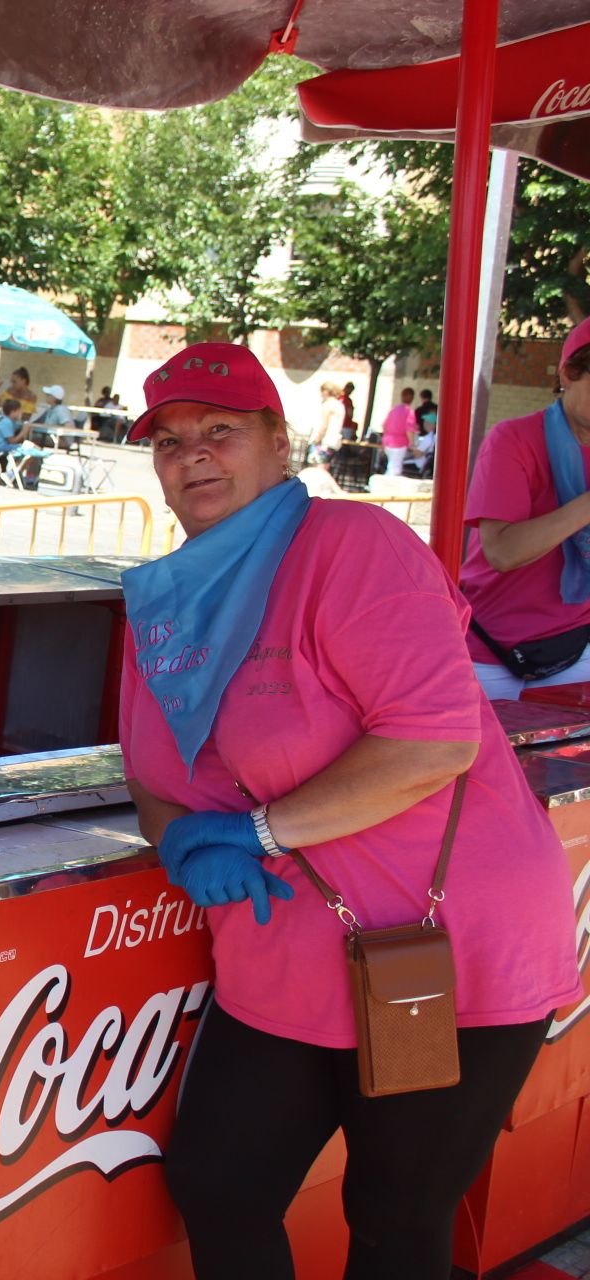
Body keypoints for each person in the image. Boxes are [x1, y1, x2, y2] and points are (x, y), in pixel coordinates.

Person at [118, 342, 579, 1280]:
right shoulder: (166, 600)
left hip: (442, 955)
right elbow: (155, 777)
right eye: (169, 441)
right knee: (219, 1184)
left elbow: (433, 743)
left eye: (221, 431)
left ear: (278, 443)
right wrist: (178, 842)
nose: (193, 455)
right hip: (286, 951)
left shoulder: (352, 547)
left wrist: (251, 833)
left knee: (396, 1222)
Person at [460, 316, 590, 700]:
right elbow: (503, 551)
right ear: (568, 373)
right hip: (490, 649)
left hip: (574, 647)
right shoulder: (513, 440)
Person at [380, 386, 416, 476]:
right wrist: (412, 443)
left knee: (392, 466)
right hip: (399, 443)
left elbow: (384, 425)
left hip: (388, 442)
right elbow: (409, 429)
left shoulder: (393, 410)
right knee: (394, 469)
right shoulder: (409, 412)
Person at [313, 380, 345, 464]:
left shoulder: (328, 404)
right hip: (334, 442)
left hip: (324, 442)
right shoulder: (340, 405)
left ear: (326, 391)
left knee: (316, 467)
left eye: (322, 391)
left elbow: (324, 425)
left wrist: (317, 439)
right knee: (325, 467)